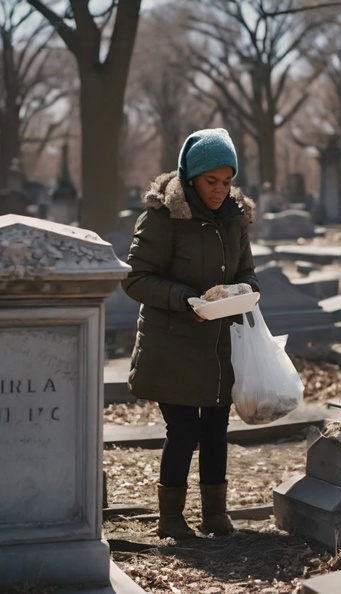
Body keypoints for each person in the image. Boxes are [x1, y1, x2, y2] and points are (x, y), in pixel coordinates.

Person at [122, 128, 259, 539]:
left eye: (227, 181)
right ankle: (171, 518)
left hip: (220, 342)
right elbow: (135, 279)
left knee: (217, 428)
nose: (220, 190)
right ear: (191, 178)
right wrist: (187, 300)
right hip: (173, 344)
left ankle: (215, 514)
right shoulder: (164, 216)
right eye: (211, 181)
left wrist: (244, 291)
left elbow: (247, 272)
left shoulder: (235, 217)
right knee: (183, 431)